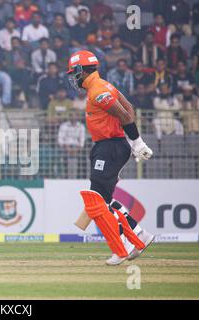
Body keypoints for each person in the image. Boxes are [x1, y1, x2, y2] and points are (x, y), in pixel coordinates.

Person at [66, 50, 154, 266]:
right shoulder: (105, 85)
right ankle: (139, 234)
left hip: (109, 147)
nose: (73, 78)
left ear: (80, 70)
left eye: (74, 73)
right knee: (102, 199)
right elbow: (129, 108)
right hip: (109, 146)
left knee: (96, 201)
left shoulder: (97, 91)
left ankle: (122, 246)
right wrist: (131, 142)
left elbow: (124, 115)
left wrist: (137, 143)